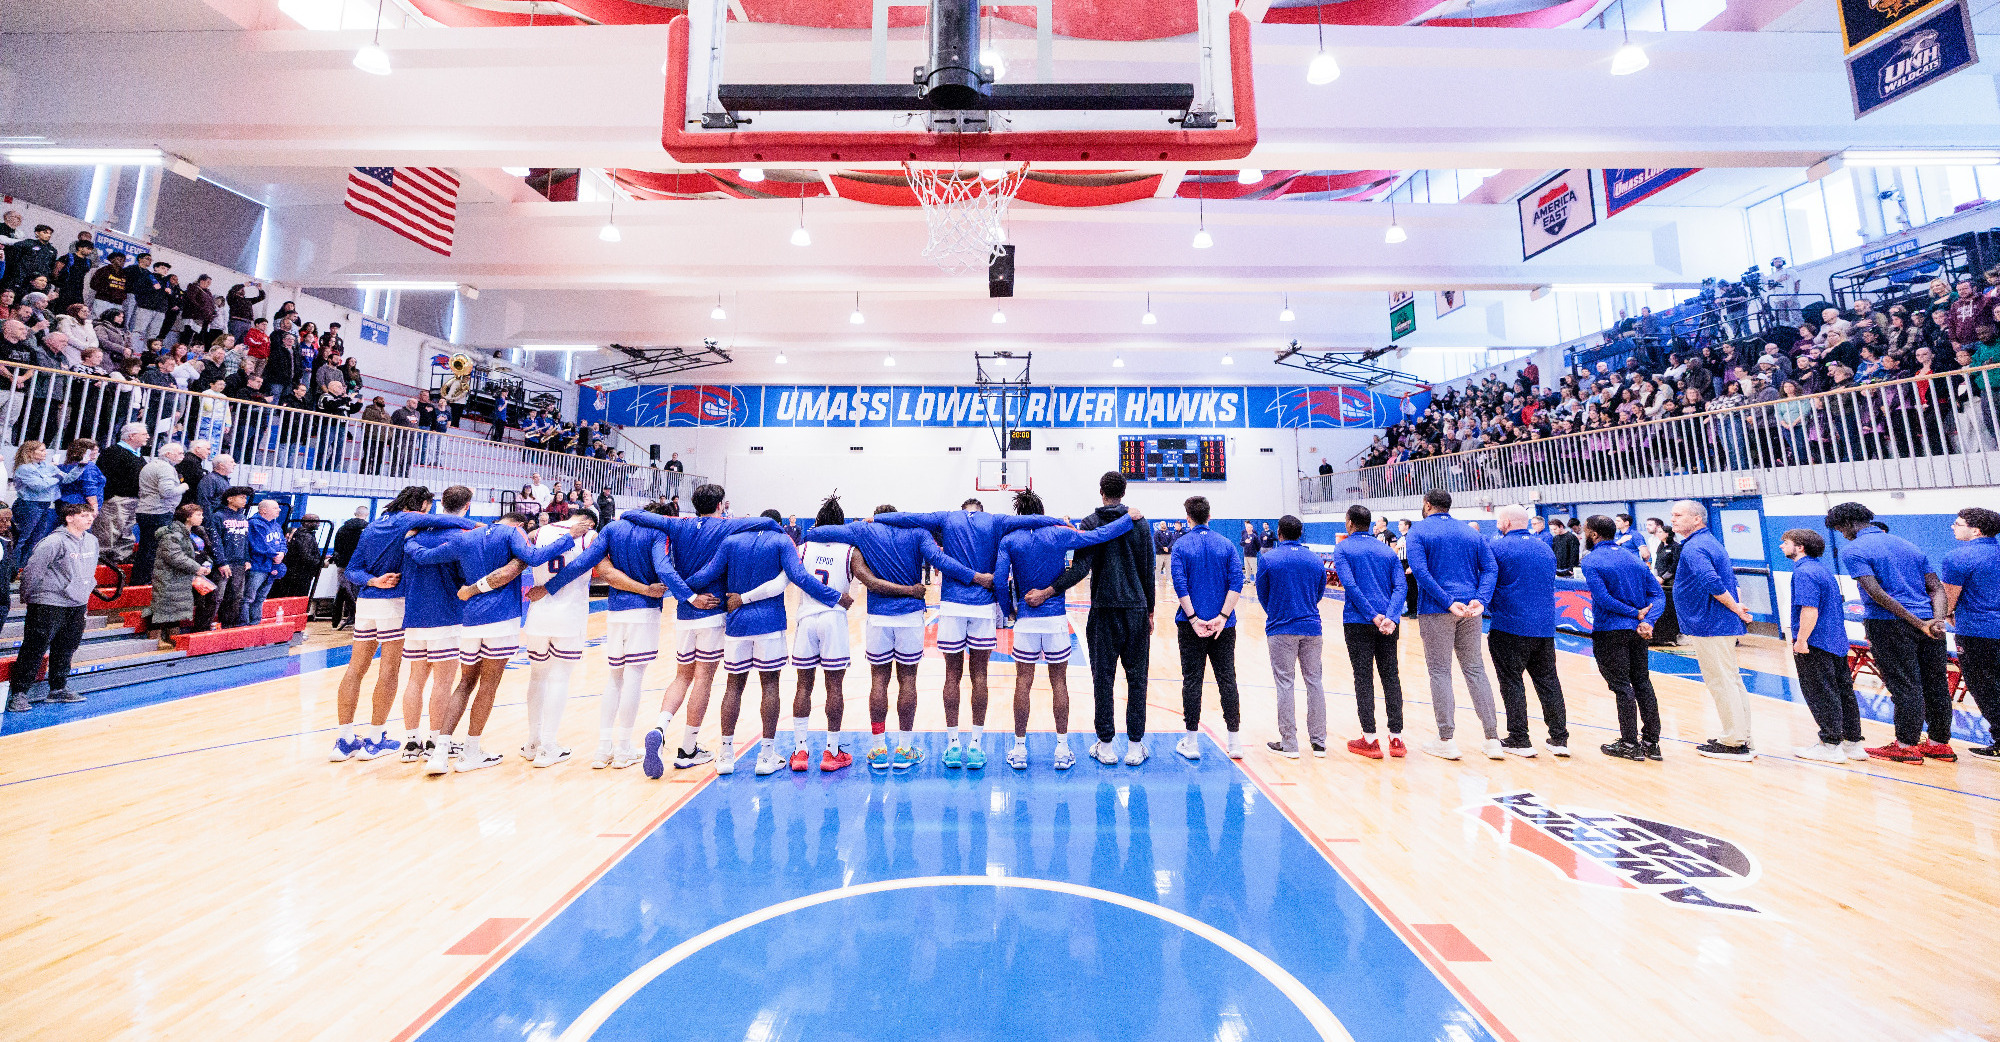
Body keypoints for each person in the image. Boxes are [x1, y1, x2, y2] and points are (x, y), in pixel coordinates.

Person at [872, 498, 1056, 768]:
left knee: (952, 676)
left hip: (952, 606)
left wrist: (878, 519)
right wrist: (1059, 522)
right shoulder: (993, 521)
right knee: (980, 676)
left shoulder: (948, 518)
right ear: (980, 511)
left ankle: (952, 745)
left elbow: (910, 516)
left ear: (962, 511)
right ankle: (976, 746)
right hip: (982, 606)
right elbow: (1030, 520)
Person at [618, 485, 786, 775]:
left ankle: (660, 727)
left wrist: (685, 593)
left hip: (684, 612)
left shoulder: (677, 524)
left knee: (682, 676)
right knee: (704, 679)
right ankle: (687, 748)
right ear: (720, 504)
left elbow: (634, 514)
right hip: (712, 610)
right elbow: (766, 522)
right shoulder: (726, 526)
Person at [796, 503, 976, 771]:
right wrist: (974, 576)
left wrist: (857, 525)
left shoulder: (865, 532)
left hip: (877, 617)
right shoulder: (917, 532)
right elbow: (939, 561)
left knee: (878, 681)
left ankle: (879, 748)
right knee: (908, 681)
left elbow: (817, 534)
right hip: (909, 616)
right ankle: (904, 749)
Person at [407, 511, 586, 774]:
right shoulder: (513, 534)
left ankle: (440, 752)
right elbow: (535, 557)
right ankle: (471, 750)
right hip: (501, 617)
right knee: (488, 685)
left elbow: (425, 557)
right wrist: (568, 538)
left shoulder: (466, 537)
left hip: (470, 617)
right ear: (519, 525)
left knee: (464, 684)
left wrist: (409, 541)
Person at [684, 509, 845, 775]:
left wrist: (676, 586)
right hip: (769, 623)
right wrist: (834, 596)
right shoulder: (782, 541)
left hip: (737, 622)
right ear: (776, 523)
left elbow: (707, 574)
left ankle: (726, 755)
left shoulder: (730, 541)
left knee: (733, 686)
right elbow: (795, 578)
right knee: (770, 685)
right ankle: (766, 755)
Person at [330, 487, 478, 763]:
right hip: (395, 601)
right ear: (422, 505)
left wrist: (373, 580)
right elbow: (448, 519)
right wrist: (484, 528)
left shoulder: (373, 525)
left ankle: (344, 739)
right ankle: (375, 739)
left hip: (367, 601)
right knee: (389, 670)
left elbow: (352, 570)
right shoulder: (410, 519)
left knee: (355, 669)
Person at [993, 491, 1135, 770]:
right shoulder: (1058, 533)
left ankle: (1019, 750)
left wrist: (1010, 610)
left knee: (1023, 683)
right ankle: (1062, 748)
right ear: (1042, 511)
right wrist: (1127, 519)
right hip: (1055, 618)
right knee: (1059, 682)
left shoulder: (1010, 539)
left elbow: (999, 581)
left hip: (1026, 620)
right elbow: (1098, 536)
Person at [1042, 472, 1158, 765]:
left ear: (1101, 492)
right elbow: (1148, 570)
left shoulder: (1090, 523)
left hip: (1104, 610)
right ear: (1124, 492)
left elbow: (1080, 569)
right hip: (1136, 610)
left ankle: (1105, 746)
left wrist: (1050, 590)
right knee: (1137, 680)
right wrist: (1150, 611)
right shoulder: (1140, 523)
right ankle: (1134, 747)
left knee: (1103, 679)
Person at [1825, 502, 1954, 764]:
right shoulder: (1909, 546)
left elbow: (1877, 594)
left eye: (1840, 529)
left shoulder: (1854, 550)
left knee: (1905, 685)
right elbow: (1936, 588)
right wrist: (1937, 621)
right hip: (1929, 622)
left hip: (1889, 624)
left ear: (1848, 524)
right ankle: (1939, 744)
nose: (1843, 535)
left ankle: (1905, 746)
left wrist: (1918, 623)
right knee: (1936, 684)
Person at [1404, 489, 1501, 761]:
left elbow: (1420, 572)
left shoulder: (1418, 531)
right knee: (1475, 670)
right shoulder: (1471, 532)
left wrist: (1447, 602)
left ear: (1427, 505)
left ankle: (1446, 739)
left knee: (1440, 672)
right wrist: (1481, 599)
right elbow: (1491, 568)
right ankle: (1492, 739)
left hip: (1437, 609)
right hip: (1470, 609)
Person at [390, 487, 476, 764]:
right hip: (446, 616)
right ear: (467, 506)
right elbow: (466, 579)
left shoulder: (415, 536)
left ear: (440, 504)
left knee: (415, 679)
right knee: (443, 682)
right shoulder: (460, 537)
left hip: (415, 615)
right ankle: (436, 740)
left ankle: (411, 742)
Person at [1670, 499, 1759, 762]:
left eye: (1678, 515)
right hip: (1715, 622)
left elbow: (1711, 580)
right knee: (1730, 680)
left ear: (1697, 519)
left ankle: (1734, 742)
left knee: (1721, 681)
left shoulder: (1695, 547)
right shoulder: (1708, 542)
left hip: (1710, 623)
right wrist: (1736, 606)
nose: (1672, 519)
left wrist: (1736, 607)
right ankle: (1741, 736)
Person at [1581, 515, 1667, 761]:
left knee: (1621, 687)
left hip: (1610, 630)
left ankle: (1629, 743)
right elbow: (1658, 595)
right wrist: (1647, 621)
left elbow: (1603, 599)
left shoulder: (1591, 560)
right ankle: (1651, 742)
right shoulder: (1634, 558)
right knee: (1642, 682)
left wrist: (1634, 613)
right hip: (1637, 632)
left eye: (1586, 530)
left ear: (1594, 534)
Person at [1486, 504, 1569, 757]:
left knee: (1512, 682)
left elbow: (1488, 582)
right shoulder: (1545, 548)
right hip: (1544, 627)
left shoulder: (1497, 548)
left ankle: (1519, 738)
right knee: (1549, 682)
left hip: (1509, 625)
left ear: (1506, 523)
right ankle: (1559, 739)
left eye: (1499, 520)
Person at [1169, 496, 1245, 760]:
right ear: (1209, 516)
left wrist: (1193, 619)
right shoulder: (1227, 545)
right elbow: (1237, 582)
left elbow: (1180, 584)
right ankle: (1234, 742)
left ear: (1188, 518)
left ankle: (1191, 743)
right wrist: (1222, 617)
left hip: (1191, 627)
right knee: (1228, 679)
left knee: (1192, 681)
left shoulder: (1180, 545)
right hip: (1224, 626)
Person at [1780, 529, 1865, 764]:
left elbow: (1809, 610)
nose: (1781, 546)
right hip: (1835, 640)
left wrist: (1801, 640)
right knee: (1843, 692)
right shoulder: (1822, 569)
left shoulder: (1804, 572)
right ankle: (1853, 743)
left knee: (1821, 692)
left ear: (1800, 547)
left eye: (1785, 542)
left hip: (1816, 642)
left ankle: (1830, 745)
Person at [4, 502, 98, 712]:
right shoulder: (53, 541)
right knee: (35, 648)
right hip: (48, 602)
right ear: (69, 518)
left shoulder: (92, 541)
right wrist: (28, 597)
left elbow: (89, 571)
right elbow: (32, 570)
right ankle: (19, 693)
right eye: (84, 515)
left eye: (91, 515)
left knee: (67, 647)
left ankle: (58, 688)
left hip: (77, 603)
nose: (90, 519)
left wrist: (84, 597)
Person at [1330, 504, 1406, 759]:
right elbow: (1401, 587)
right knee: (1391, 676)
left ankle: (1370, 740)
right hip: (1389, 624)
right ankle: (1397, 739)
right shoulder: (1387, 550)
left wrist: (1373, 615)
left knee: (1363, 677)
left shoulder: (1343, 548)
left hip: (1358, 621)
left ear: (1350, 523)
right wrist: (1391, 617)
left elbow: (1350, 586)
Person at [1256, 515, 1328, 758]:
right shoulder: (1315, 560)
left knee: (1285, 684)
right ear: (1300, 533)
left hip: (1281, 627)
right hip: (1311, 627)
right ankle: (1319, 743)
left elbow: (1262, 594)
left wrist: (1277, 611)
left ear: (1279, 533)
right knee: (1314, 682)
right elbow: (1319, 593)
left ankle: (1289, 744)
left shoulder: (1269, 559)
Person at [1941, 506, 2000, 760]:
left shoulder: (1958, 557)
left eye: (1957, 523)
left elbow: (1947, 602)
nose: (1953, 527)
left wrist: (1947, 614)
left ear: (1975, 530)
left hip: (1978, 631)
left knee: (1985, 687)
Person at [148, 503, 217, 649]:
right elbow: (175, 556)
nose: (202, 518)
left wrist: (207, 564)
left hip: (185, 576)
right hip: (169, 576)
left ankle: (173, 637)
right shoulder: (172, 534)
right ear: (188, 517)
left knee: (178, 607)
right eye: (198, 515)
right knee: (163, 606)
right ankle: (155, 637)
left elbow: (205, 552)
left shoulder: (196, 533)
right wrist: (197, 568)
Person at [132, 442, 187, 588]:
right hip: (159, 512)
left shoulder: (151, 465)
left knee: (146, 548)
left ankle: (140, 581)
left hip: (147, 511)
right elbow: (167, 492)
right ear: (168, 454)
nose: (182, 456)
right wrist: (183, 487)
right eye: (179, 453)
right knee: (154, 550)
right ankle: (144, 582)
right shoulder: (165, 468)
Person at [95, 423, 147, 562]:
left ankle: (118, 564)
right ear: (131, 436)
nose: (147, 437)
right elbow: (103, 477)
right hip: (116, 501)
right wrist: (110, 497)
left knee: (126, 535)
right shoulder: (113, 452)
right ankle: (99, 566)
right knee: (107, 535)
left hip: (133, 500)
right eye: (143, 434)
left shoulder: (138, 455)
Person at [208, 486, 254, 627]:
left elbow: (245, 541)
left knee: (236, 597)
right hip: (223, 564)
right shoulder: (218, 516)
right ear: (230, 499)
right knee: (216, 597)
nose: (244, 500)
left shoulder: (243, 517)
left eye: (245, 498)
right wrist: (221, 562)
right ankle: (204, 628)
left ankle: (228, 627)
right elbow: (215, 541)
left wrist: (246, 558)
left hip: (239, 563)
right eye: (241, 497)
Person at [11, 441, 63, 559]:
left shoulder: (46, 466)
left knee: (36, 538)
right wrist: (57, 477)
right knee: (22, 537)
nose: (45, 453)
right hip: (28, 505)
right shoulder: (24, 468)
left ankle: (25, 564)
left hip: (44, 505)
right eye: (42, 450)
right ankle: (13, 565)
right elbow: (39, 486)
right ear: (30, 452)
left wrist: (80, 466)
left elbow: (67, 477)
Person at [243, 499, 287, 628]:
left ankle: (255, 624)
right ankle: (244, 626)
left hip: (271, 567)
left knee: (260, 598)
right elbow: (258, 545)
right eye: (275, 508)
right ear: (263, 510)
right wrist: (275, 555)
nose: (279, 510)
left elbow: (282, 542)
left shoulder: (276, 525)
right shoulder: (254, 524)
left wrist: (282, 553)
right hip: (257, 567)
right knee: (248, 598)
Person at [329, 507, 367, 629]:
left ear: (355, 514)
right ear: (366, 515)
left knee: (342, 590)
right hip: (359, 566)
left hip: (343, 564)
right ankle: (355, 617)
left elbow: (337, 548)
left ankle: (336, 620)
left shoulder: (342, 529)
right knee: (357, 592)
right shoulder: (368, 529)